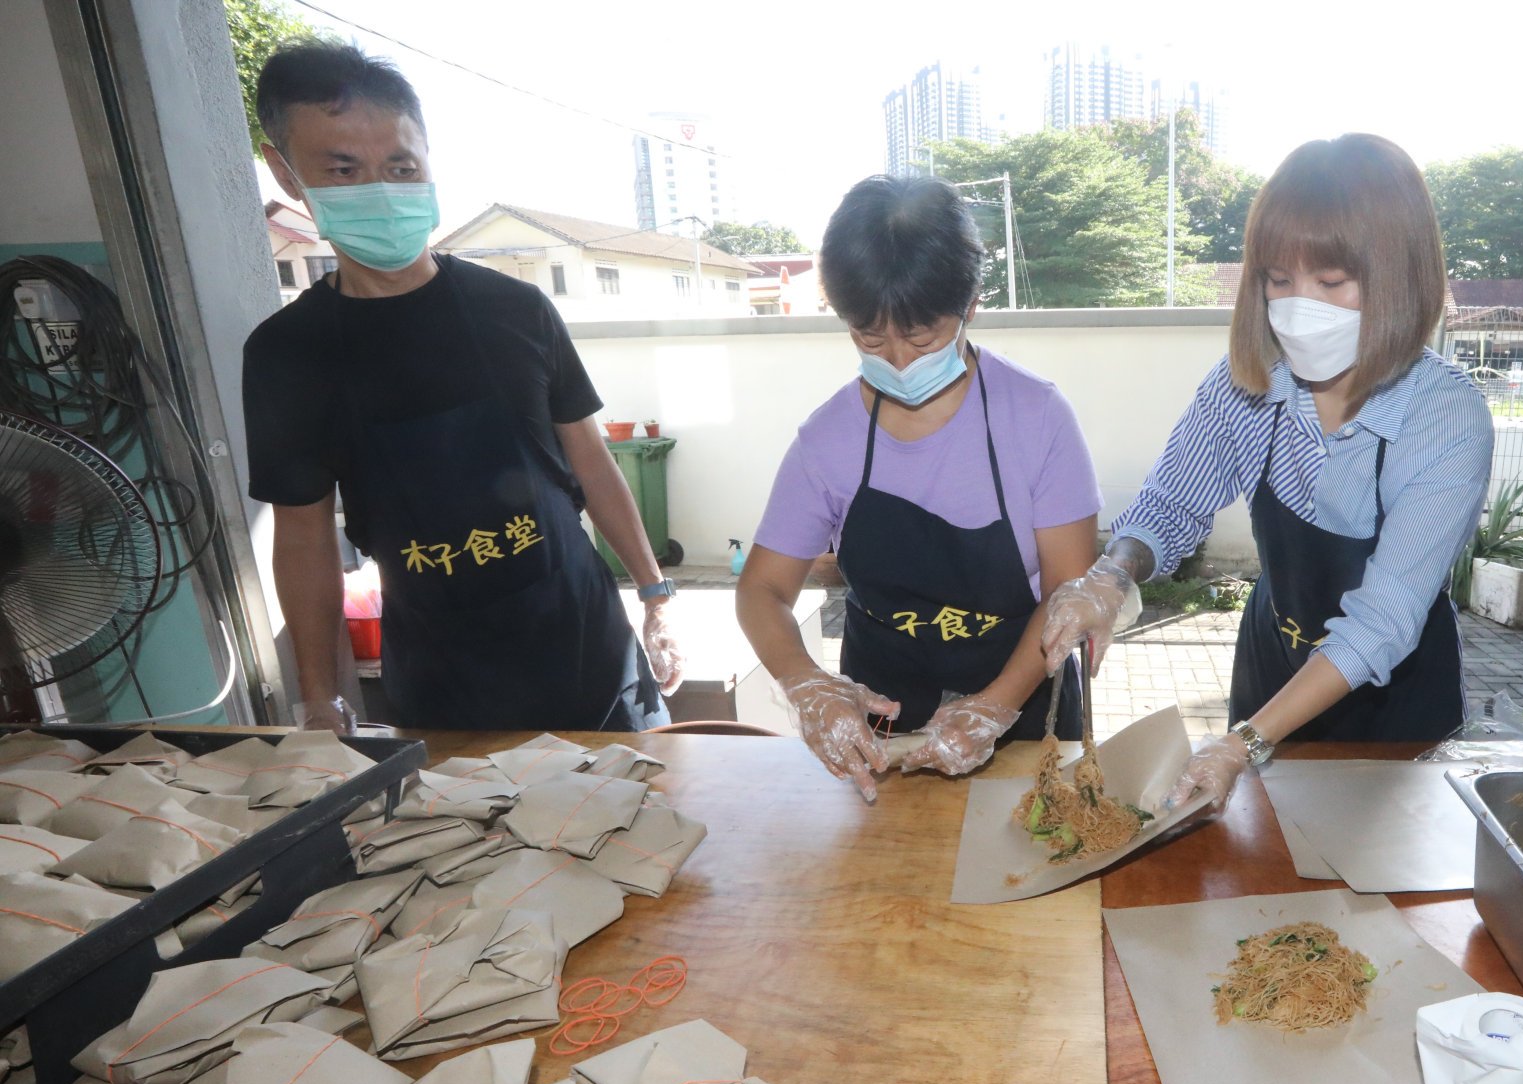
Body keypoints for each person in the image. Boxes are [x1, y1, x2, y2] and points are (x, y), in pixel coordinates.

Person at [243, 42, 684, 732]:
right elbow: (302, 536)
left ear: (427, 161)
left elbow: (590, 459)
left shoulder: (516, 310)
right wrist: (318, 694)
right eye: (344, 169)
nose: (380, 189)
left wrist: (655, 594)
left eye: (399, 166)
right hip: (445, 681)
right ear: (287, 174)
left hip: (587, 652)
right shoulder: (285, 354)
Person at [1041, 134, 1491, 809]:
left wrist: (1243, 742)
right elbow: (1168, 506)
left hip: (1394, 711)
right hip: (1271, 669)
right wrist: (1111, 575)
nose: (1297, 308)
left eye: (1331, 283)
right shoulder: (1246, 388)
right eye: (1279, 281)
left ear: (1400, 277)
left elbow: (1382, 621)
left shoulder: (1444, 417)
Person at [737, 176, 1100, 801]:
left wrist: (992, 708)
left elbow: (1069, 588)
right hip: (882, 722)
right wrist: (807, 684)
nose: (900, 362)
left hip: (1020, 705)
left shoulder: (1036, 417)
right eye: (871, 339)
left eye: (923, 338)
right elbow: (762, 589)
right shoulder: (827, 440)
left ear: (972, 305)